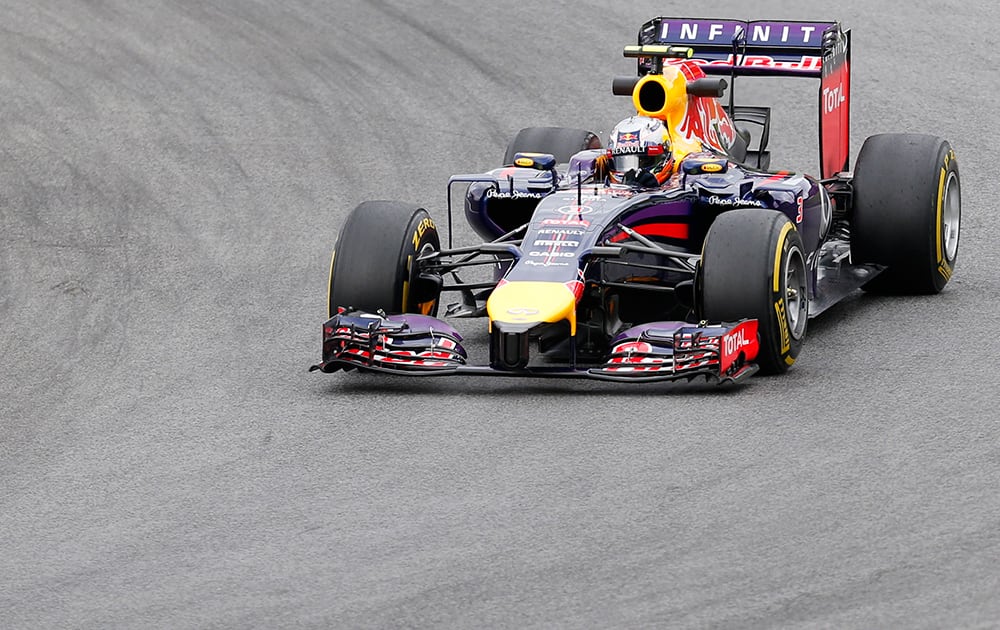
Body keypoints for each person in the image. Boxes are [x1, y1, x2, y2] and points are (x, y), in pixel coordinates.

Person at [596, 116, 675, 188]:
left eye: (643, 161)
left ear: (664, 156)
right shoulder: (601, 165)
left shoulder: (680, 182)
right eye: (623, 162)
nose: (631, 173)